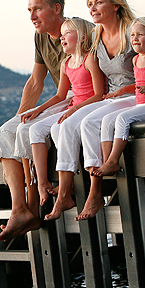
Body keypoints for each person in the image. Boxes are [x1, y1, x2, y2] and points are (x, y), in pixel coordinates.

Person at [75, 0, 145, 221]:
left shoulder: (135, 30)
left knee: (95, 121)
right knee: (87, 123)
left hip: (137, 97)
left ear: (116, 4)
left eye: (99, 2)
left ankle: (96, 189)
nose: (93, 8)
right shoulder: (95, 36)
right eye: (90, 4)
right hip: (113, 97)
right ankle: (97, 182)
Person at [0, 0, 68, 242]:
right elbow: (36, 82)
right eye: (29, 10)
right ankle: (20, 209)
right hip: (57, 101)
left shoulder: (77, 32)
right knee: (5, 132)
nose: (32, 16)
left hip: (76, 99)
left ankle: (33, 205)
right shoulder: (40, 37)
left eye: (37, 8)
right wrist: (18, 118)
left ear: (56, 8)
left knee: (27, 130)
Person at [23, 17, 105, 221]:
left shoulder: (90, 59)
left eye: (68, 32)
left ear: (83, 37)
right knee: (35, 129)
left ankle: (64, 193)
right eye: (62, 34)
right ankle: (43, 183)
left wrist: (75, 109)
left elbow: (99, 93)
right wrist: (38, 110)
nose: (62, 37)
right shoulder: (66, 63)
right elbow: (61, 96)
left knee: (63, 127)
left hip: (89, 107)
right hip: (73, 107)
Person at [92, 17, 145, 177]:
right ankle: (107, 160)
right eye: (132, 35)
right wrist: (123, 90)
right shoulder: (135, 59)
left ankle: (113, 161)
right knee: (107, 120)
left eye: (140, 35)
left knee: (122, 119)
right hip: (141, 105)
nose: (135, 38)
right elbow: (140, 86)